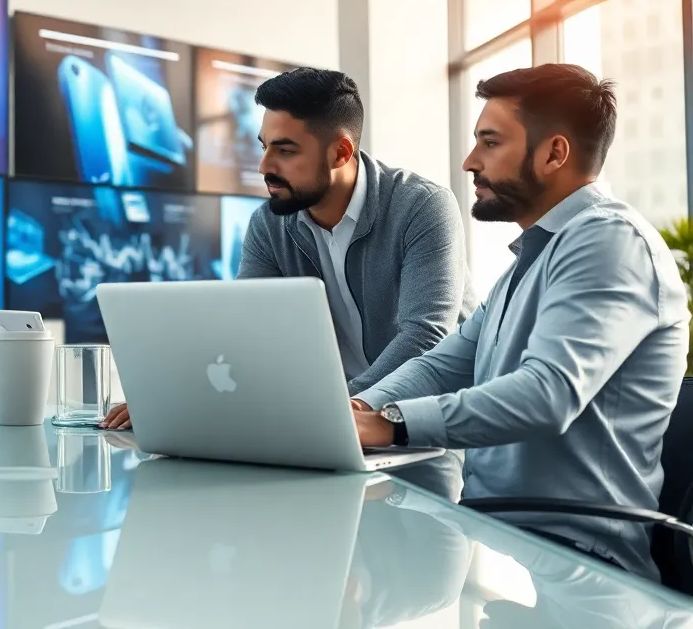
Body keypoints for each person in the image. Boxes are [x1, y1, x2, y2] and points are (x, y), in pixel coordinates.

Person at [352, 64, 689, 579]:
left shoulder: (610, 242)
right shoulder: (529, 262)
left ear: (554, 153)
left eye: (490, 142)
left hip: (582, 563)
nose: (470, 161)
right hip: (501, 540)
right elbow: (443, 365)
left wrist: (392, 424)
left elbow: (547, 393)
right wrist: (357, 409)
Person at [102, 67, 474, 429]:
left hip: (430, 422)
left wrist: (341, 407)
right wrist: (173, 395)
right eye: (264, 146)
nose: (264, 166)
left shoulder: (422, 206)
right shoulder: (268, 224)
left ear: (340, 152)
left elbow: (425, 336)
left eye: (285, 150)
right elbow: (247, 330)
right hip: (331, 422)